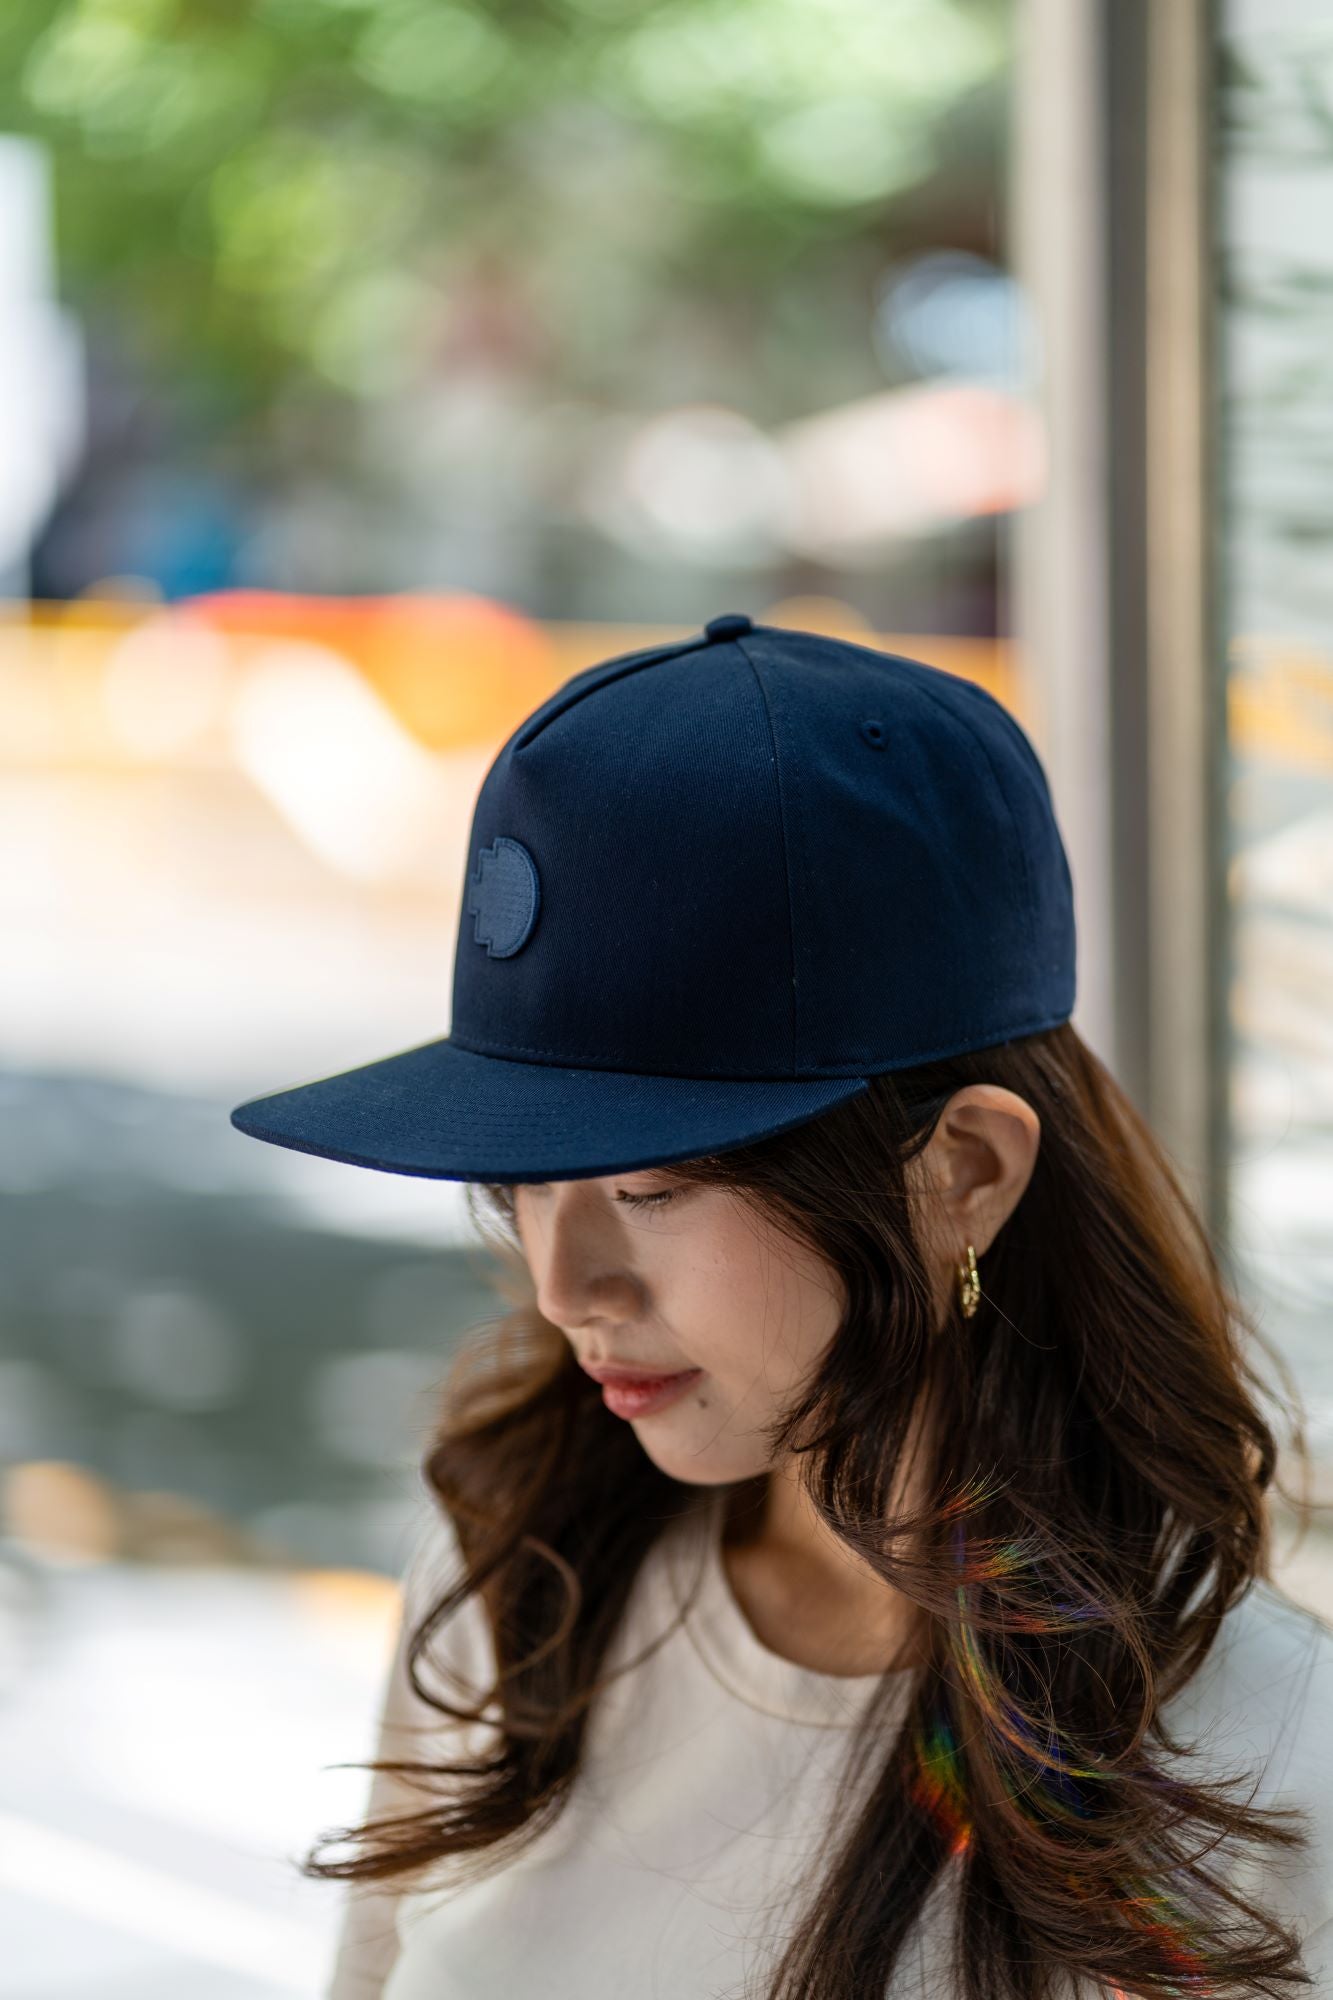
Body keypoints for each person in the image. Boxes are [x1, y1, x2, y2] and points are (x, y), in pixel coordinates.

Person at [230, 615, 1333, 2000]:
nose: (565, 1289)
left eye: (650, 1193)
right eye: (518, 1183)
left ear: (963, 1176)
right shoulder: (517, 1576)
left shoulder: (1247, 1754)